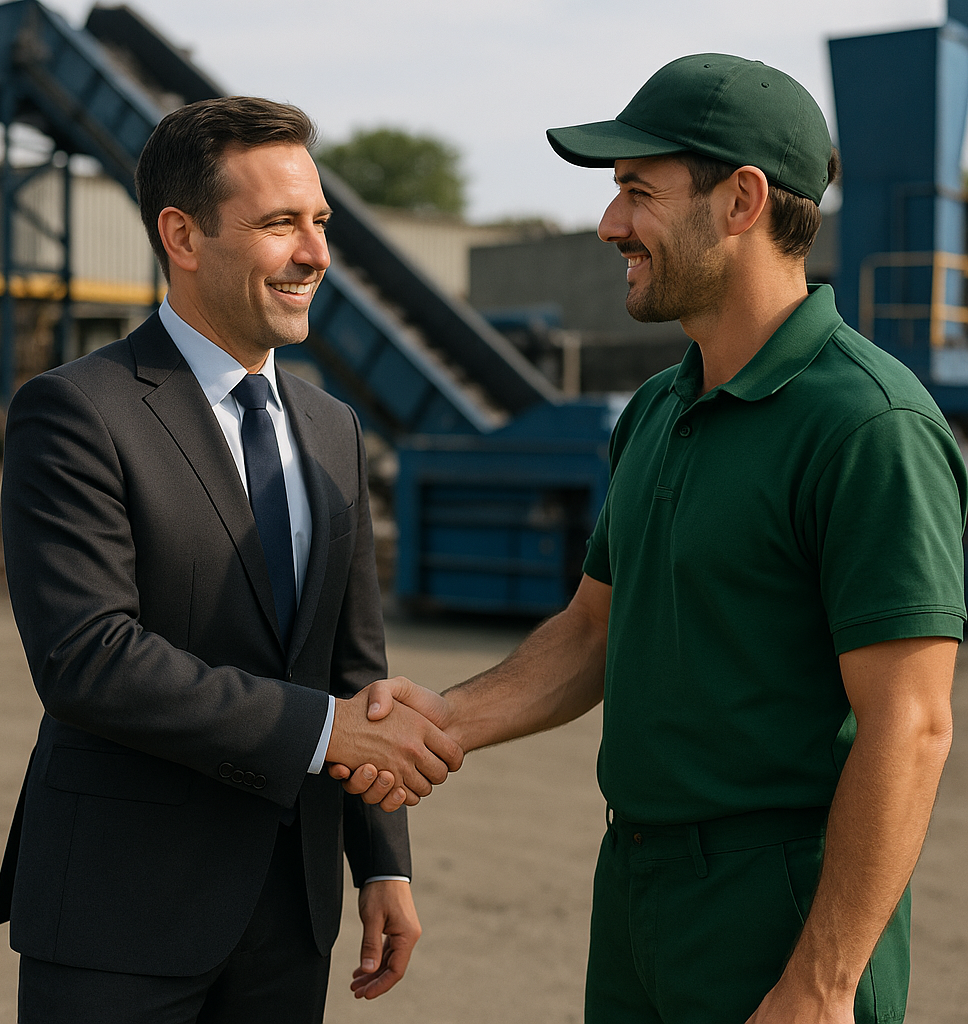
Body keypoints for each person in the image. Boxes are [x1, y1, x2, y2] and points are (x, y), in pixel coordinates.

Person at [339, 54, 967, 1023]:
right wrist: (442, 719)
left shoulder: (866, 425)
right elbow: (594, 630)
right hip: (635, 886)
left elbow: (911, 725)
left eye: (637, 191)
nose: (608, 224)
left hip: (778, 902)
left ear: (742, 201)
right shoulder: (656, 408)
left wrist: (822, 980)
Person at [0, 96, 462, 1024]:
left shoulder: (334, 430)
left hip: (289, 914)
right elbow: (88, 658)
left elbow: (351, 662)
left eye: (319, 222)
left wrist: (382, 861)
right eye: (280, 223)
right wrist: (323, 734)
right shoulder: (77, 412)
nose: (316, 253)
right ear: (183, 235)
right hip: (119, 915)